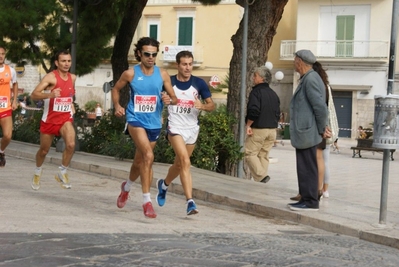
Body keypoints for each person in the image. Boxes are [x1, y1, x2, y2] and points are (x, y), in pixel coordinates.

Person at [113, 37, 178, 219]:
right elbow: (115, 89)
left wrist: (168, 100)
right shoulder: (130, 74)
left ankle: (125, 188)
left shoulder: (162, 74)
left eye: (154, 54)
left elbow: (174, 98)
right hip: (135, 119)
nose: (151, 57)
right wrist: (118, 106)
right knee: (149, 156)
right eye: (147, 54)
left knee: (139, 162)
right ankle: (146, 201)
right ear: (139, 54)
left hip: (154, 123)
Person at [155, 51, 215, 215]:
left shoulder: (199, 84)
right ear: (177, 65)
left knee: (179, 164)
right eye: (184, 64)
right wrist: (163, 99)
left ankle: (164, 184)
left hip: (192, 129)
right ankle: (190, 201)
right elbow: (158, 98)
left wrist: (202, 106)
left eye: (190, 64)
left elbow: (212, 105)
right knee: (185, 161)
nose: (188, 67)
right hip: (175, 128)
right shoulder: (169, 82)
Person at [288, 50, 330, 211]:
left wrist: (322, 129)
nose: (293, 63)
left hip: (308, 132)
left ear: (300, 61)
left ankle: (311, 201)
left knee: (308, 167)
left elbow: (319, 107)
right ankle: (305, 198)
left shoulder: (311, 79)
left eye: (295, 60)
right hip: (305, 132)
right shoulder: (308, 78)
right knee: (303, 167)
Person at [30, 50, 77, 190]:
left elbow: (69, 94)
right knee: (44, 151)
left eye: (68, 61)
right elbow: (34, 95)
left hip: (65, 118)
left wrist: (71, 104)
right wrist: (50, 95)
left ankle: (62, 172)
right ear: (57, 63)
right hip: (49, 119)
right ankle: (37, 171)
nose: (66, 63)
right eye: (63, 61)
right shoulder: (50, 78)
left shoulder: (73, 78)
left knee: (70, 145)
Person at [244, 66, 280, 183]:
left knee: (249, 153)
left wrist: (248, 125)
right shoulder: (274, 94)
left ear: (262, 78)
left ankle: (261, 177)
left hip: (259, 128)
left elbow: (254, 110)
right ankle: (261, 182)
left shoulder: (256, 92)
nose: (253, 78)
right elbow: (277, 113)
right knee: (263, 155)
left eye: (255, 76)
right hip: (272, 130)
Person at [0, 45, 19, 167]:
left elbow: (15, 84)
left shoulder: (10, 70)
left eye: (2, 54)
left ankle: (1, 152)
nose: (0, 56)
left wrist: (15, 100)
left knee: (8, 135)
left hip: (5, 107)